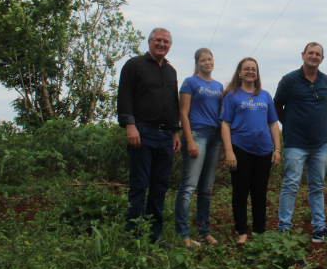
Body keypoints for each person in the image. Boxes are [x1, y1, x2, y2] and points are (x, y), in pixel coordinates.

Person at [117, 27, 181, 243]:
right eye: (158, 40)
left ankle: (154, 235)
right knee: (139, 185)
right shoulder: (135, 65)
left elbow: (173, 102)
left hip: (165, 136)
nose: (162, 44)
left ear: (170, 46)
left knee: (160, 186)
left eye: (166, 42)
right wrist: (129, 124)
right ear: (150, 42)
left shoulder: (170, 71)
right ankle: (134, 235)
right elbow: (124, 95)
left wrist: (174, 131)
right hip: (143, 131)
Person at [274, 42, 327, 244]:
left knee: (317, 186)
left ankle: (319, 228)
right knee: (291, 184)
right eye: (310, 53)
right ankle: (284, 228)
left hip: (320, 143)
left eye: (317, 54)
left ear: (322, 58)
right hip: (295, 143)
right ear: (303, 55)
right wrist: (291, 123)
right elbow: (277, 105)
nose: (313, 56)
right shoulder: (289, 80)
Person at [219, 57, 281, 246]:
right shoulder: (232, 96)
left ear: (257, 73)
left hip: (263, 151)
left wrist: (277, 149)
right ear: (239, 72)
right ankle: (242, 232)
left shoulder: (265, 96)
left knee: (260, 193)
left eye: (253, 69)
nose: (250, 72)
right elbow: (225, 123)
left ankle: (259, 231)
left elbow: (273, 123)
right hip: (240, 149)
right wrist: (229, 151)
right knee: (240, 192)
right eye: (246, 69)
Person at [174, 48, 224, 247]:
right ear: (197, 63)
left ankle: (205, 231)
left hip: (215, 137)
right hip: (197, 134)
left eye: (209, 59)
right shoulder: (190, 82)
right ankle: (183, 234)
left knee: (206, 188)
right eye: (202, 60)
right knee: (189, 186)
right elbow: (183, 113)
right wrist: (190, 140)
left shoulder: (219, 86)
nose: (207, 62)